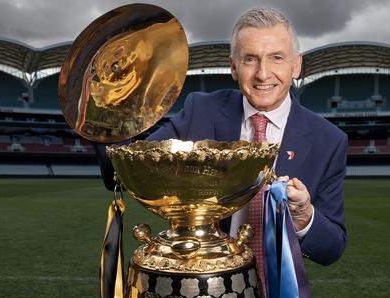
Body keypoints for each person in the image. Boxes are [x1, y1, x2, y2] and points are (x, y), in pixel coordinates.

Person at [97, 6, 347, 267]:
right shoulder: (200, 111)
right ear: (233, 67)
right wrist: (104, 118)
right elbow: (130, 169)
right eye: (250, 59)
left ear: (296, 66)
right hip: (201, 287)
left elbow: (332, 249)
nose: (263, 73)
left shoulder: (328, 141)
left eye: (277, 58)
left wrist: (305, 217)